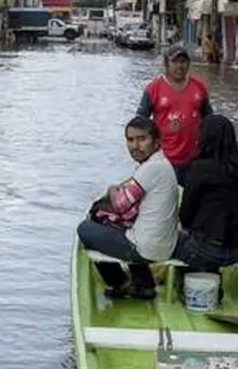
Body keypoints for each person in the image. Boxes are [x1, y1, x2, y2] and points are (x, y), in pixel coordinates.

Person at [77, 115, 179, 300]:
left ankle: (119, 282)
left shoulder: (151, 168)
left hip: (148, 248)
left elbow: (120, 206)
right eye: (130, 140)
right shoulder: (161, 164)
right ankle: (143, 286)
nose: (135, 146)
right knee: (123, 225)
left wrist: (112, 190)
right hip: (162, 244)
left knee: (86, 228)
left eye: (142, 139)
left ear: (156, 142)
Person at [172, 113, 238, 272]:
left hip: (206, 250)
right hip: (237, 250)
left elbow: (186, 214)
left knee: (163, 243)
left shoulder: (201, 167)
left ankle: (177, 284)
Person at [135, 44, 213, 185]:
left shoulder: (199, 87)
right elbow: (139, 124)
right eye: (175, 62)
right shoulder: (154, 88)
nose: (179, 66)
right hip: (164, 161)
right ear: (166, 64)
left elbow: (210, 121)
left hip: (194, 159)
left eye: (183, 62)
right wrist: (143, 155)